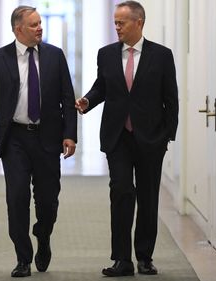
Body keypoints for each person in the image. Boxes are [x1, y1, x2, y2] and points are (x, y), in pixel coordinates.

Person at [75, 1, 178, 277]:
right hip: (118, 136)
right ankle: (122, 259)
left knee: (148, 196)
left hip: (151, 138)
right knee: (120, 191)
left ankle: (144, 257)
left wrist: (168, 135)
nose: (116, 27)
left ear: (139, 22)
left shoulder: (162, 55)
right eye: (115, 22)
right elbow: (102, 87)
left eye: (121, 22)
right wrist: (87, 101)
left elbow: (171, 98)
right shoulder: (106, 54)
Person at [0, 5, 77, 278]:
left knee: (47, 201)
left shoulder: (55, 57)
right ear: (18, 29)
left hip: (48, 137)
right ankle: (23, 258)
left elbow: (68, 99)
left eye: (40, 23)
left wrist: (70, 134)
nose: (39, 28)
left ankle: (43, 236)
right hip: (15, 140)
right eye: (33, 25)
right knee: (17, 197)